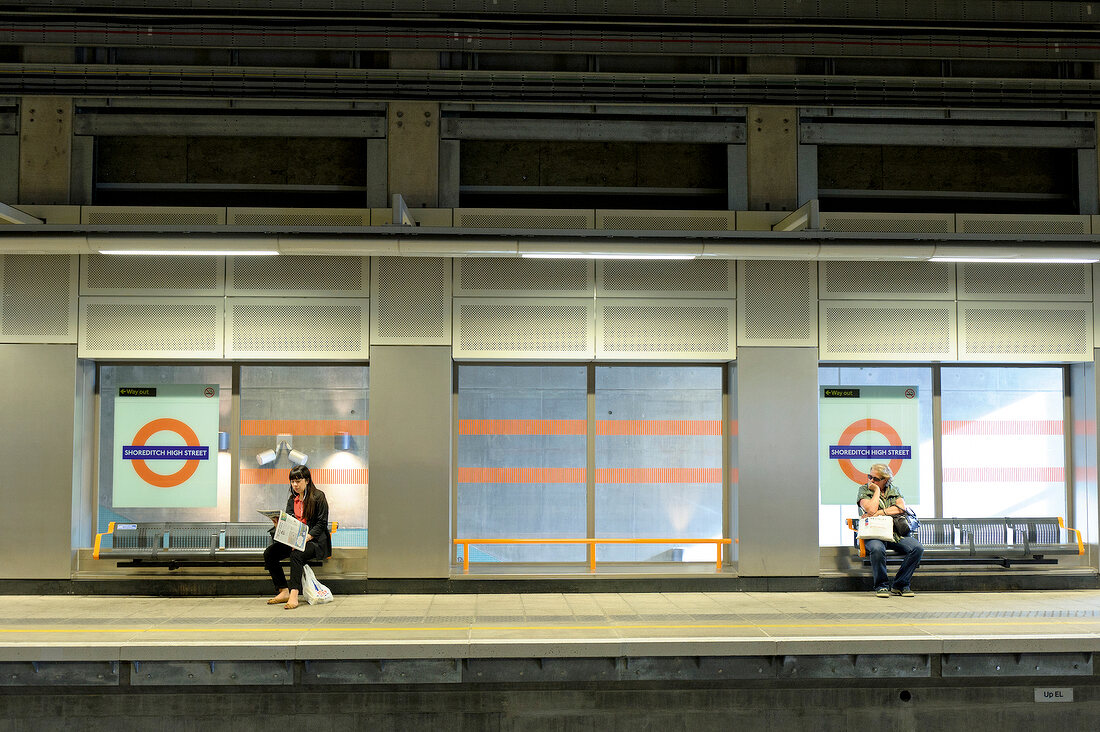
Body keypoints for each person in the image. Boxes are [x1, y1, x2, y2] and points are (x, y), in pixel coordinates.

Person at [263, 464, 332, 609]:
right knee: (270, 553)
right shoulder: (291, 500)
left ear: (307, 480)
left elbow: (321, 523)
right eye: (292, 481)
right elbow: (290, 522)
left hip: (314, 542)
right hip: (295, 540)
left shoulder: (318, 497)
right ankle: (283, 590)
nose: (295, 485)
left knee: (296, 554)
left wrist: (307, 537)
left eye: (298, 481)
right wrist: (278, 525)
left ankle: (294, 594)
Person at [857, 463, 923, 598]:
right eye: (870, 477)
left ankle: (900, 584)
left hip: (894, 534)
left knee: (917, 548)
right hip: (874, 534)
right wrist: (875, 491)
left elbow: (900, 508)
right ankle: (881, 586)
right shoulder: (864, 490)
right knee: (877, 549)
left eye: (876, 479)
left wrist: (879, 512)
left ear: (885, 480)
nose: (871, 481)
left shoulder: (894, 490)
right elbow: (870, 509)